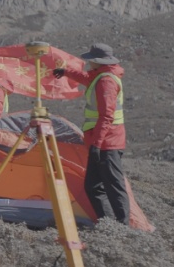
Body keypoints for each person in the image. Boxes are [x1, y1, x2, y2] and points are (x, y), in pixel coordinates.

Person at [53, 43, 128, 224]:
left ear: (97, 61)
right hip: (101, 140)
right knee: (93, 186)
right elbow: (86, 78)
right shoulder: (100, 75)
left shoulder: (106, 82)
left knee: (113, 185)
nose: (88, 63)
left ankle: (122, 226)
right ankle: (108, 224)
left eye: (90, 60)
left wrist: (97, 144)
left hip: (107, 142)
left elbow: (106, 116)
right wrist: (65, 72)